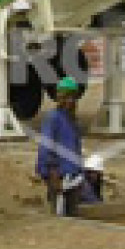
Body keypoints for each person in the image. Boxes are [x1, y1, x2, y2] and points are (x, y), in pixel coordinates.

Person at [35, 77, 84, 217]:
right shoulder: (53, 118)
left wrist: (80, 172)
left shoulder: (73, 121)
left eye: (73, 97)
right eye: (67, 97)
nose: (70, 101)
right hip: (59, 178)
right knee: (59, 218)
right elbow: (45, 148)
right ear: (60, 97)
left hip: (74, 178)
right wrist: (51, 173)